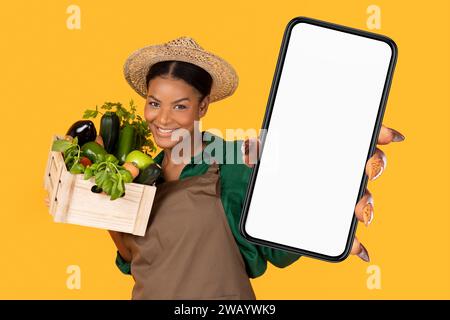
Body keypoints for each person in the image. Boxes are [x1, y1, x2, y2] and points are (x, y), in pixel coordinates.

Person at [45, 36, 405, 300]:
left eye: (180, 106)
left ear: (203, 108)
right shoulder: (142, 174)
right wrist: (104, 205)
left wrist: (336, 168)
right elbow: (132, 258)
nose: (163, 118)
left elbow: (282, 235)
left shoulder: (231, 160)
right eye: (154, 103)